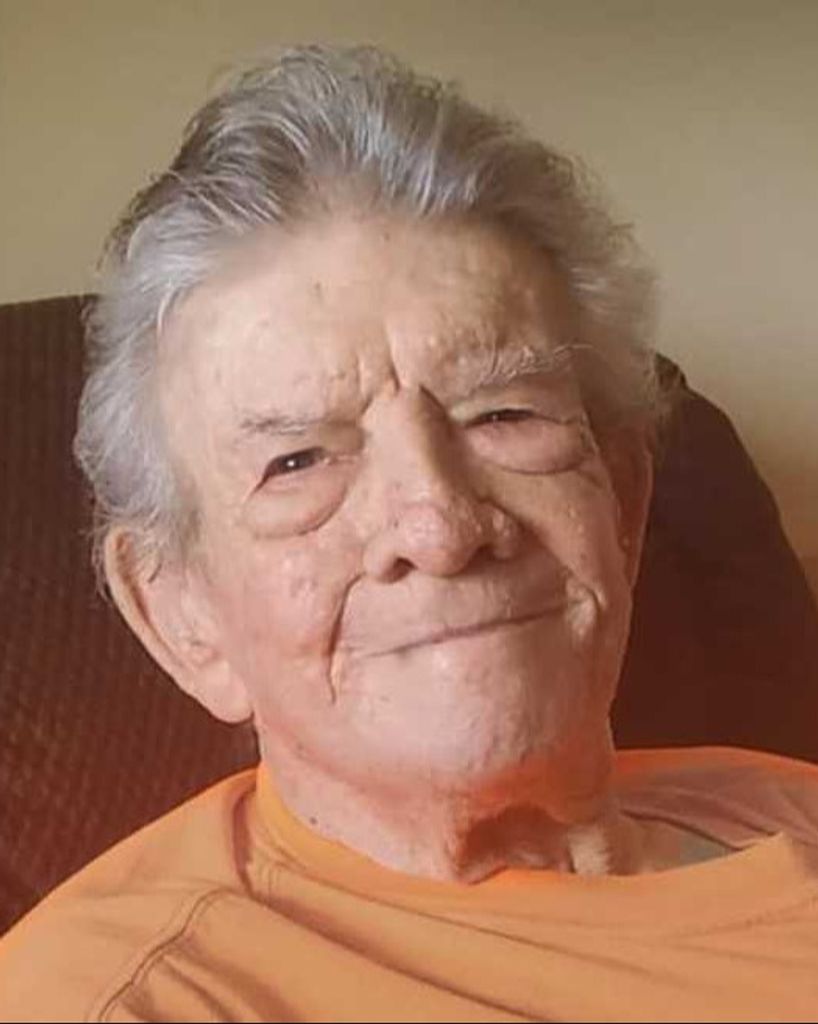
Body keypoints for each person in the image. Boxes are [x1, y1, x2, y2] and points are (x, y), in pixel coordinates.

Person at [2, 44, 818, 1022]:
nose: (438, 527)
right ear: (180, 614)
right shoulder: (131, 998)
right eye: (298, 461)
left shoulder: (774, 800)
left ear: (623, 505)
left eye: (503, 414)